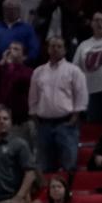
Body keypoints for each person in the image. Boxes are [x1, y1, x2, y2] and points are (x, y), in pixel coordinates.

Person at [28, 36, 88, 173]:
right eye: (52, 46)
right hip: (44, 124)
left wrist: (75, 116)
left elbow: (81, 95)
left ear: (65, 50)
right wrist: (33, 115)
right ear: (48, 49)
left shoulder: (74, 70)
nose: (55, 49)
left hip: (66, 123)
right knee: (45, 164)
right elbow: (33, 97)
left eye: (59, 46)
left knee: (69, 163)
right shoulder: (38, 72)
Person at [0, 103, 35, 203]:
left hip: (8, 202)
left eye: (5, 118)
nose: (2, 121)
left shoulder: (18, 144)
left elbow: (30, 173)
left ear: (11, 122)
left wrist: (19, 197)